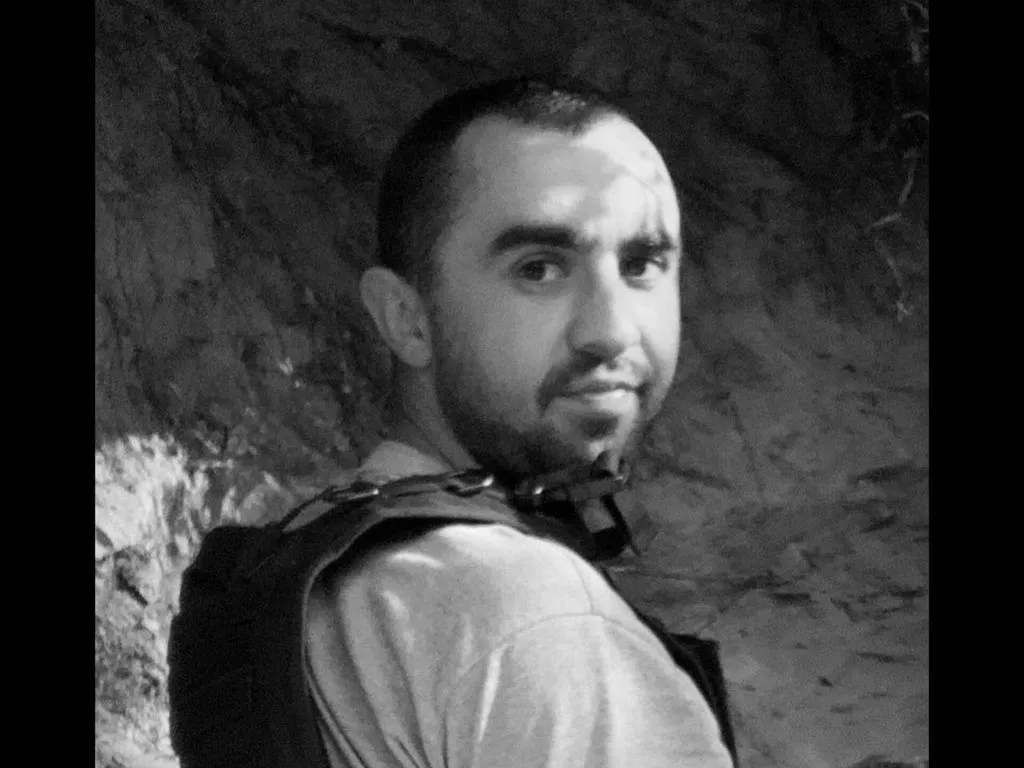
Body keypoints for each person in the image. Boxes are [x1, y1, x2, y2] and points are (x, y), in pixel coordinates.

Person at [303, 75, 735, 768]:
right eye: (539, 269)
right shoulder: (538, 619)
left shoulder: (315, 562)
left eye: (641, 264)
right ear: (406, 319)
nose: (610, 330)